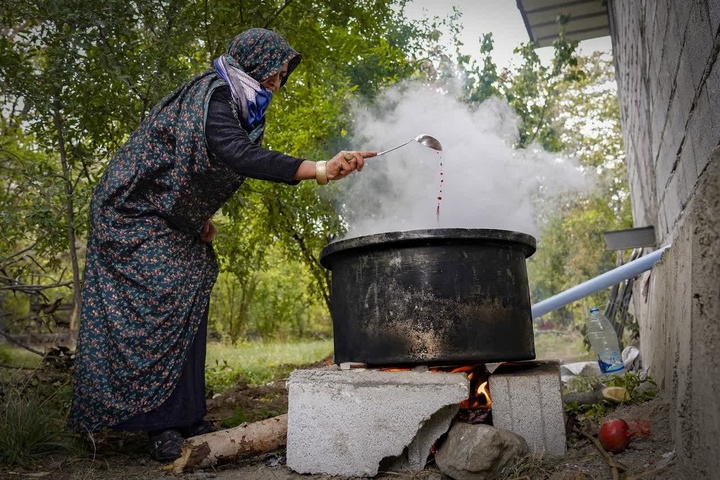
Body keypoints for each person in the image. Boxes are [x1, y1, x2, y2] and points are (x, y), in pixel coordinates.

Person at [68, 28, 375, 461]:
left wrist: (197, 216)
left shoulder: (238, 105)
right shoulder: (212, 96)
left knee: (195, 279)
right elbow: (235, 154)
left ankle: (187, 414)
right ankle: (157, 424)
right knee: (168, 290)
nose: (274, 85)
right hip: (129, 213)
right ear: (252, 65)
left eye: (280, 79)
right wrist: (321, 168)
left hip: (166, 215)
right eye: (271, 75)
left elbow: (188, 166)